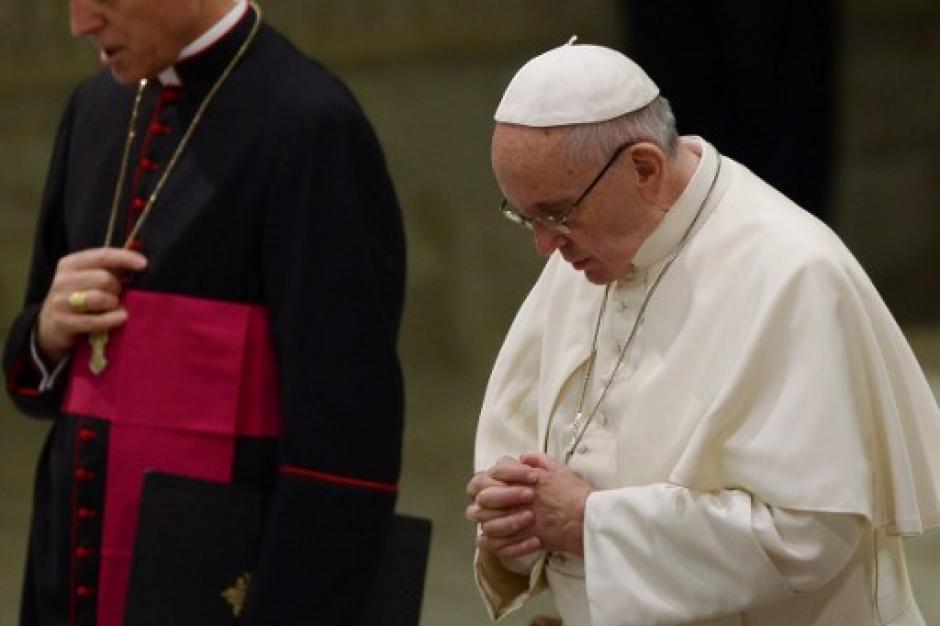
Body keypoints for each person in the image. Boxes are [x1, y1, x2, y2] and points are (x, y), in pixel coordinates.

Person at [465, 39, 940, 625]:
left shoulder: (793, 273)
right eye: (525, 217)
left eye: (558, 215)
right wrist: (517, 522)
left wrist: (588, 522)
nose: (544, 246)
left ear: (644, 167)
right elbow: (527, 450)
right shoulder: (587, 253)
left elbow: (808, 532)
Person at [3, 1, 405, 625]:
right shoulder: (93, 109)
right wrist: (46, 335)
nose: (80, 23)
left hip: (223, 586)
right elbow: (35, 379)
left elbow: (345, 445)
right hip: (70, 570)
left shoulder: (310, 124)